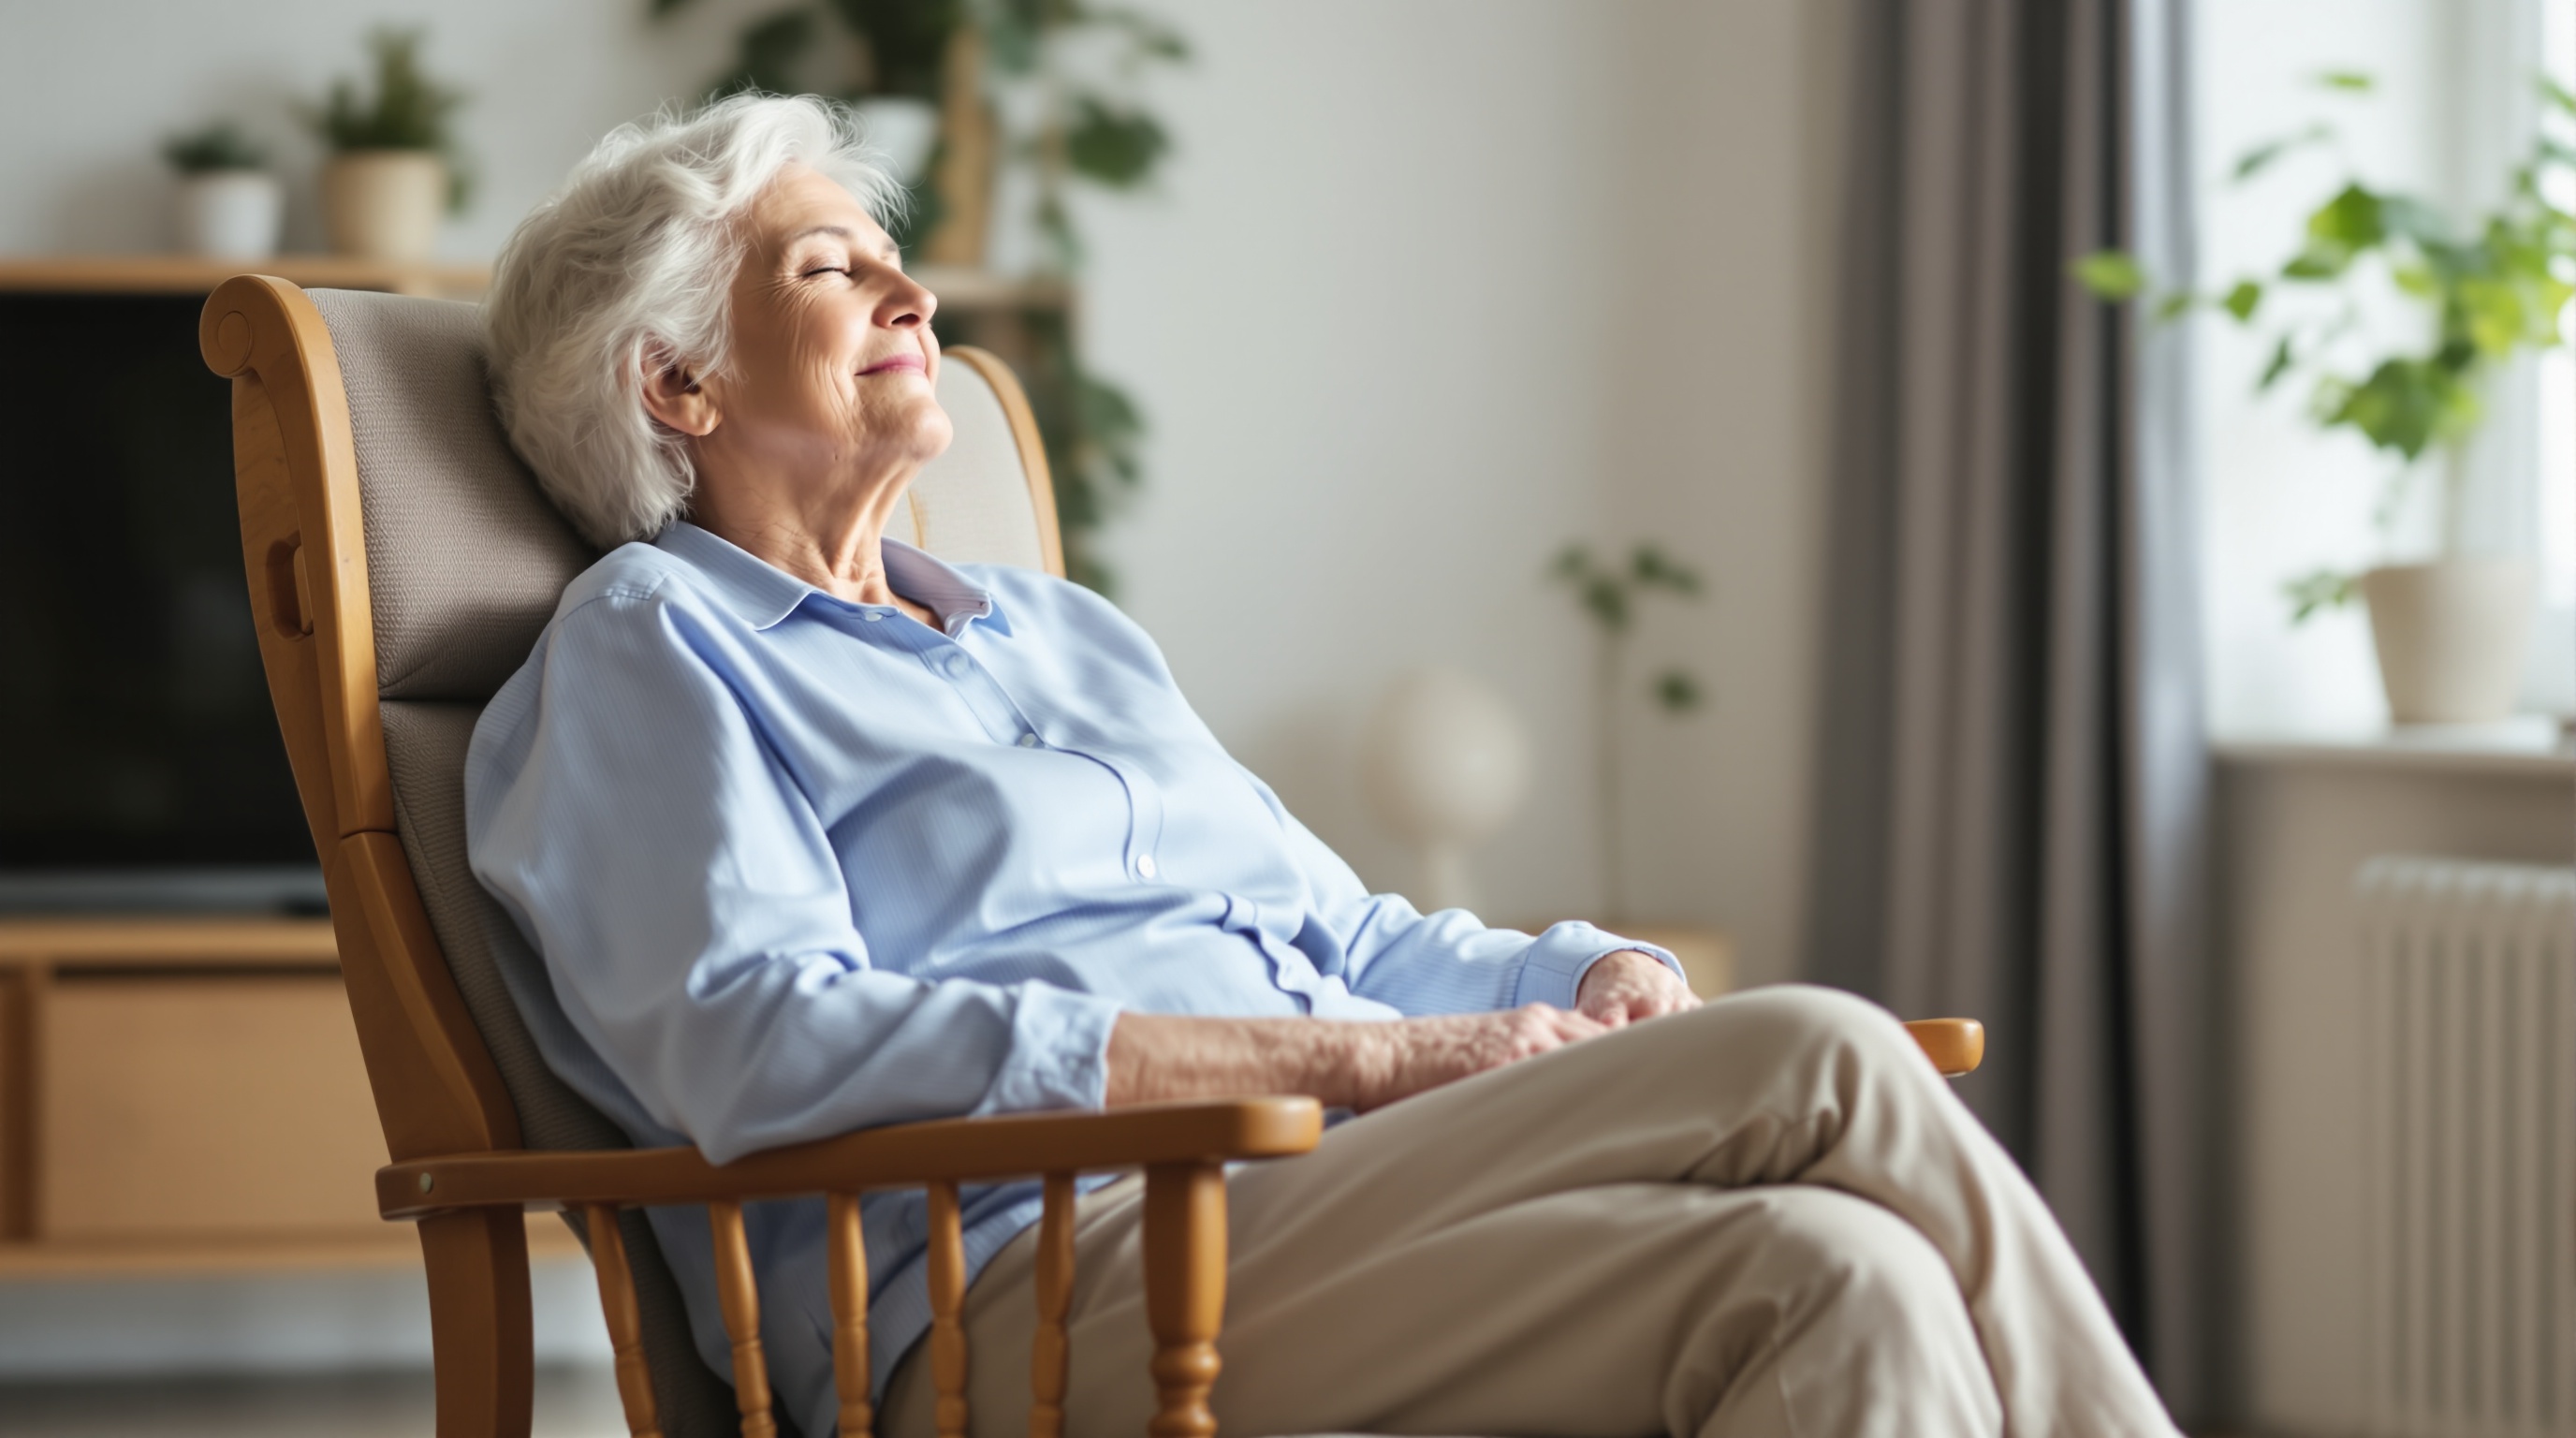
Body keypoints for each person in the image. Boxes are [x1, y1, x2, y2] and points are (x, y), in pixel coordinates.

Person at [468, 95, 2183, 1438]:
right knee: (1824, 1051)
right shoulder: (648, 646)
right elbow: (761, 1040)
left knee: (1839, 1276)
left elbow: (1345, 935)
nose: (913, 290)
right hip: (1037, 1278)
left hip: (1306, 1188)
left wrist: (1589, 971)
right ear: (676, 382)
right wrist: (1362, 1057)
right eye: (831, 267)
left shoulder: (1056, 636)